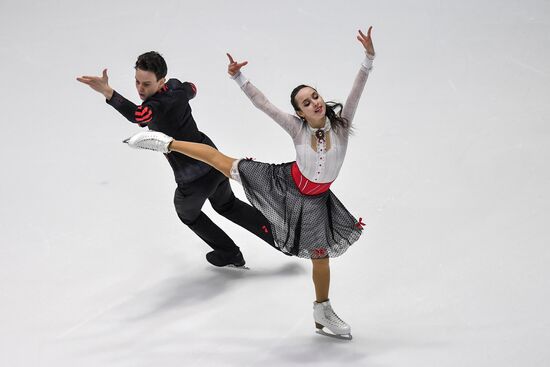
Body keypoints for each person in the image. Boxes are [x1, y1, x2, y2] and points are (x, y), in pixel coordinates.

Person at [124, 27, 375, 339]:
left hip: (316, 201)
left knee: (320, 256)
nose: (314, 103)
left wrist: (368, 57)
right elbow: (264, 104)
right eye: (306, 102)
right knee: (221, 160)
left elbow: (357, 89)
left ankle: (322, 309)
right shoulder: (297, 129)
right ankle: (166, 143)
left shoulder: (342, 124)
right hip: (282, 183)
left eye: (315, 96)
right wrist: (238, 78)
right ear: (298, 113)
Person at [77, 51, 275, 268]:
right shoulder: (175, 87)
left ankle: (229, 253)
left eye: (146, 84)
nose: (140, 89)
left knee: (186, 213)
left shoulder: (155, 106)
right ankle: (281, 236)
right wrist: (183, 89)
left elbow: (139, 116)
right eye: (137, 82)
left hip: (192, 176)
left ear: (161, 81)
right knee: (227, 205)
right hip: (214, 160)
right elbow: (192, 88)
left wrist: (108, 92)